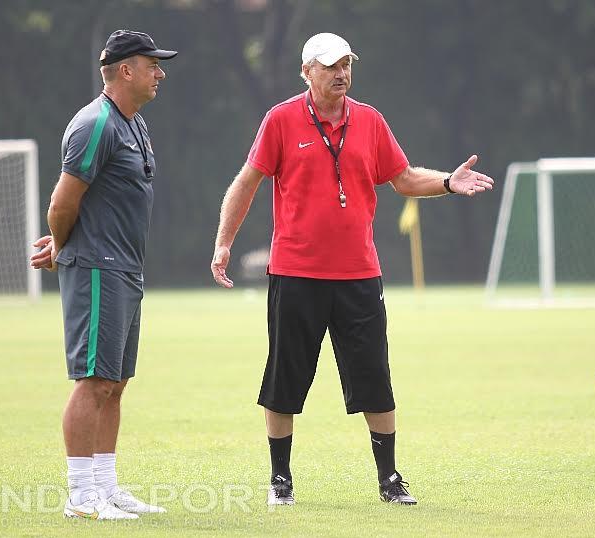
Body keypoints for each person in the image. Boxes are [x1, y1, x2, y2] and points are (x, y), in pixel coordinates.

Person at [210, 32, 494, 506]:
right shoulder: (280, 120)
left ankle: (389, 480)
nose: (341, 73)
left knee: (374, 380)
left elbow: (403, 179)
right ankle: (280, 481)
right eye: (330, 66)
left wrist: (447, 180)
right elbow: (247, 182)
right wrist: (223, 244)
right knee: (284, 380)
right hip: (295, 273)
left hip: (359, 275)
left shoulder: (371, 121)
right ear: (307, 72)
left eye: (346, 64)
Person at [30, 30, 177, 519]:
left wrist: (64, 240)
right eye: (151, 64)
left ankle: (106, 486)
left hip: (125, 271)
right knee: (93, 380)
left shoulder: (132, 123)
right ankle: (81, 497)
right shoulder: (95, 124)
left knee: (115, 382)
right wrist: (64, 246)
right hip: (97, 269)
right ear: (124, 70)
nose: (160, 72)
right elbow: (62, 202)